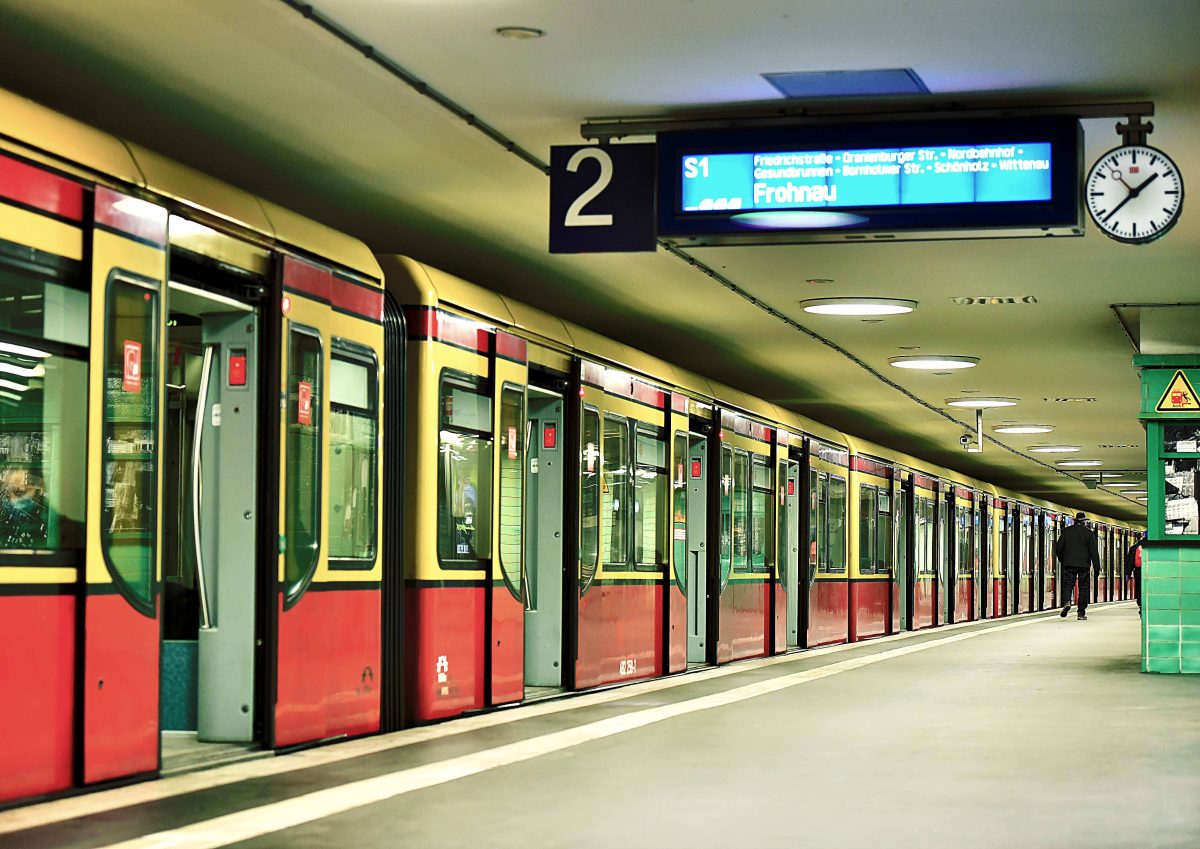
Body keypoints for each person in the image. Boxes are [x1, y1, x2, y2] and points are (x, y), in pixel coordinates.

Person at [1056, 511, 1100, 620]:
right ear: (1084, 522)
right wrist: (1096, 568)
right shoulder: (1089, 533)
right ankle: (1081, 612)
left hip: (1069, 563)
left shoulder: (1066, 532)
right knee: (1083, 588)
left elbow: (1058, 548)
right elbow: (1094, 552)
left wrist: (1063, 560)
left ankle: (1066, 602)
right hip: (1084, 565)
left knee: (1068, 584)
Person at [1125, 530, 1147, 615]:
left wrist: (1128, 573)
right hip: (1150, 571)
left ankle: (1141, 606)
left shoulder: (1135, 547)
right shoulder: (1153, 546)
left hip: (1138, 571)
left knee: (1139, 589)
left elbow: (1130, 562)